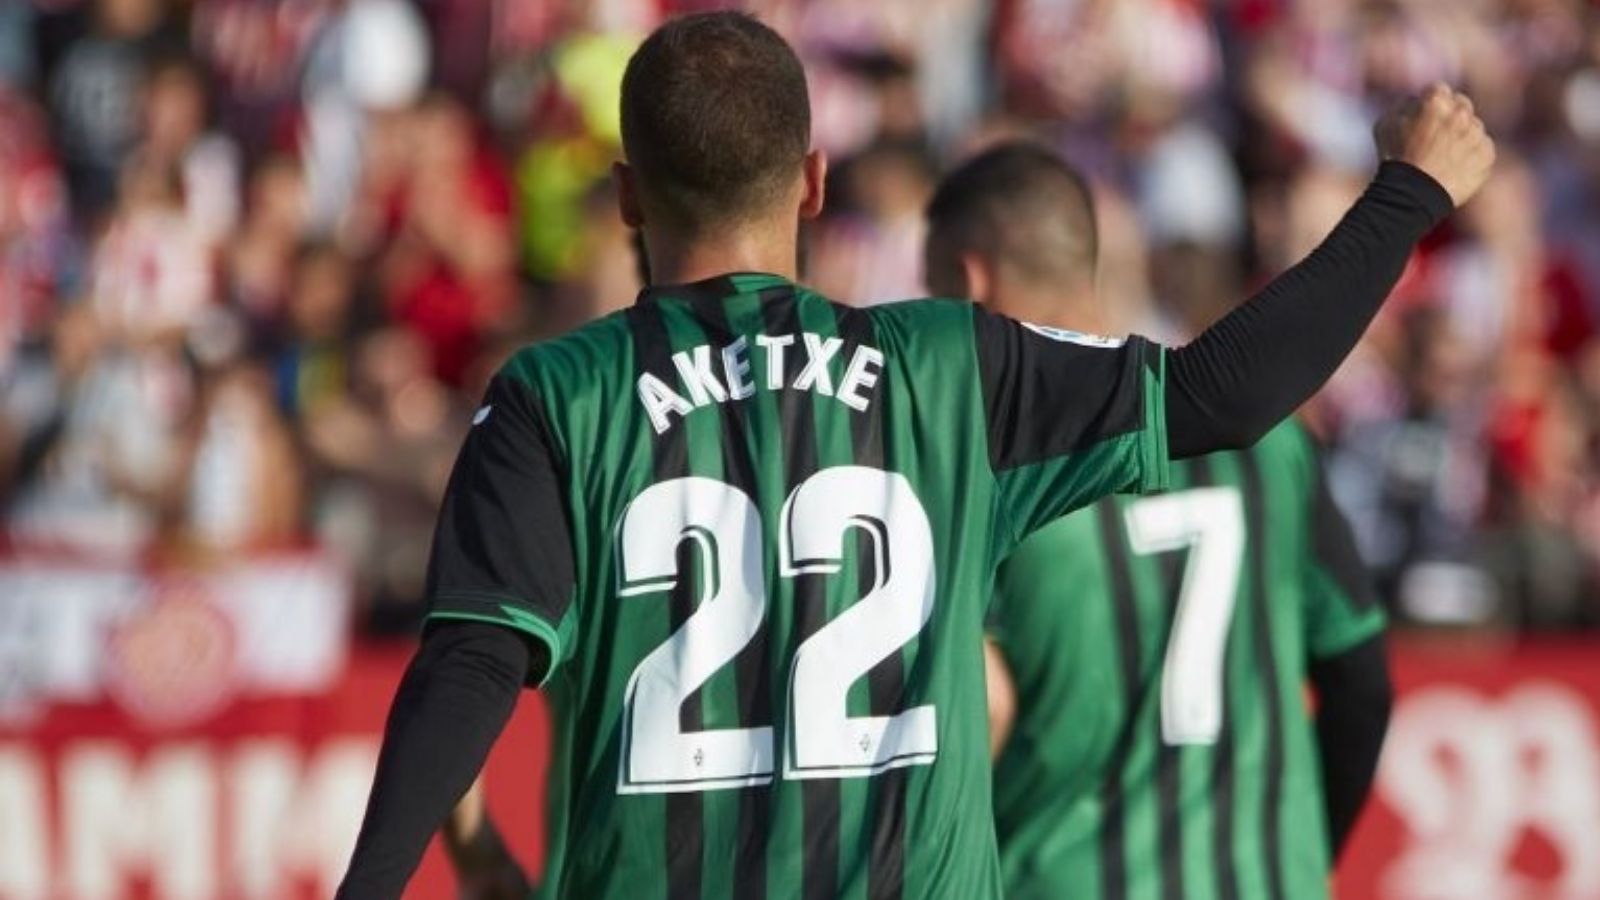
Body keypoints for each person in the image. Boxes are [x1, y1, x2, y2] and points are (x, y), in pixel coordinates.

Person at [336, 11, 1491, 899]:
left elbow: (469, 670)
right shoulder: (945, 367)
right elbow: (1225, 394)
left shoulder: (554, 395)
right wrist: (1406, 195)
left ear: (629, 198)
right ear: (813, 184)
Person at [923, 142, 1393, 900]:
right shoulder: (1274, 446)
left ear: (970, 282)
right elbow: (1360, 685)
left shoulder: (983, 468)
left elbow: (986, 707)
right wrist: (1307, 859)